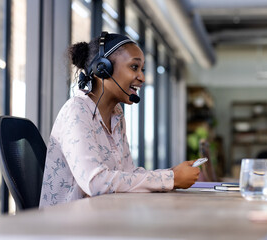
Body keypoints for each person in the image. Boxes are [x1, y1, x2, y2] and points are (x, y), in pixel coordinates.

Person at [39, 32, 200, 207]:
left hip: (98, 218)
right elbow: (95, 182)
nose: (142, 77)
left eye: (142, 69)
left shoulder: (117, 114)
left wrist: (171, 174)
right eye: (134, 67)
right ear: (103, 68)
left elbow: (127, 173)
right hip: (67, 226)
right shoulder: (77, 110)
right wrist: (170, 179)